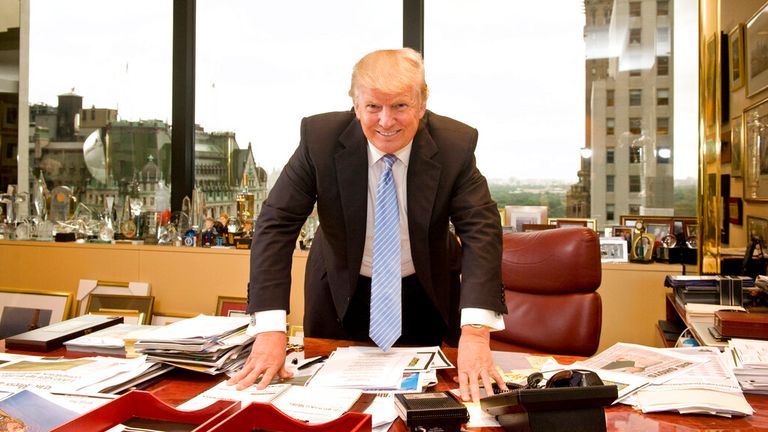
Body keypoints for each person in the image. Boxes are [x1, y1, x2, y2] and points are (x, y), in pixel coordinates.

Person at [227, 48, 508, 402]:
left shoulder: (455, 145)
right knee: (330, 408)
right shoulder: (320, 140)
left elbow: (481, 230)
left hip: (423, 294)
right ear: (355, 104)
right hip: (339, 295)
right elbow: (276, 224)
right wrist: (269, 331)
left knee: (424, 405)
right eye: (373, 106)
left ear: (422, 105)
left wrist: (477, 334)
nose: (386, 122)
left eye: (401, 106)